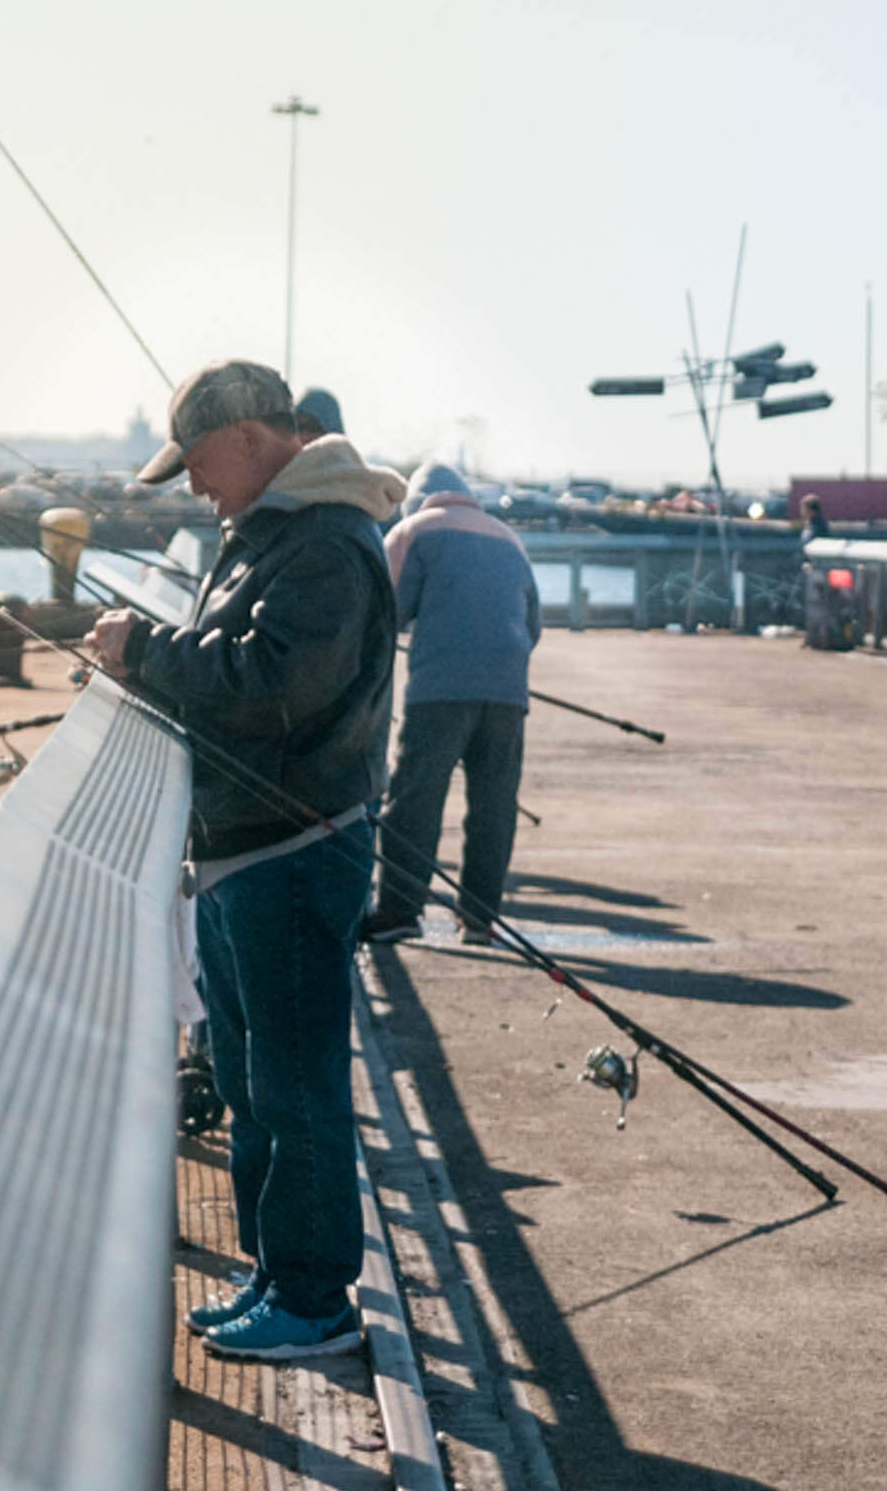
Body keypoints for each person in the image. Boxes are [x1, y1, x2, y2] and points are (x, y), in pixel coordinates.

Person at [88, 358, 404, 1361]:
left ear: (240, 439)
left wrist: (143, 652)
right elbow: (239, 664)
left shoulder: (323, 543)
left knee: (294, 1080)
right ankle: (275, 1271)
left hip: (294, 849)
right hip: (242, 850)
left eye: (194, 465)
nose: (190, 489)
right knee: (247, 1072)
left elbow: (273, 684)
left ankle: (314, 1300)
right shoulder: (271, 532)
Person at [360, 462, 541, 947]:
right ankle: (480, 918)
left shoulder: (414, 530)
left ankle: (399, 909)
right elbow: (533, 624)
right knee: (494, 805)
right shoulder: (509, 538)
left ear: (419, 499)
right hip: (508, 691)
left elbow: (382, 613)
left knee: (416, 798)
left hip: (440, 689)